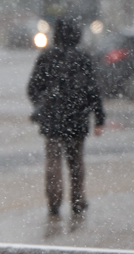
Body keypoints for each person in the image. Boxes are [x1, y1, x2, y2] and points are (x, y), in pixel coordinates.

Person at [27, 19, 105, 217]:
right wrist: (99, 119)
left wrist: (42, 104)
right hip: (77, 119)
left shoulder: (47, 57)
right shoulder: (83, 58)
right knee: (76, 161)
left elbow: (32, 88)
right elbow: (93, 91)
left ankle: (54, 201)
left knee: (53, 160)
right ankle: (78, 201)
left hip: (52, 118)